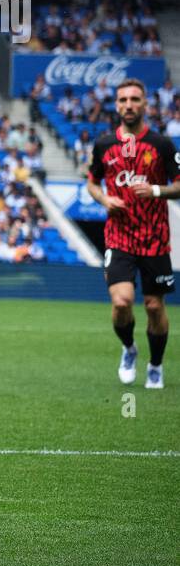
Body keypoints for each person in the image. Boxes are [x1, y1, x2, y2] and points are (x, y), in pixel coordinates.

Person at [85, 78, 178, 389]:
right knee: (122, 302)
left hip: (155, 237)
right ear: (116, 104)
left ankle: (155, 364)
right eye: (123, 99)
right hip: (119, 235)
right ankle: (128, 349)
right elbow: (92, 183)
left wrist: (155, 190)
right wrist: (104, 199)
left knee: (154, 306)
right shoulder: (103, 144)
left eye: (135, 99)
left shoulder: (162, 145)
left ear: (145, 104)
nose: (128, 105)